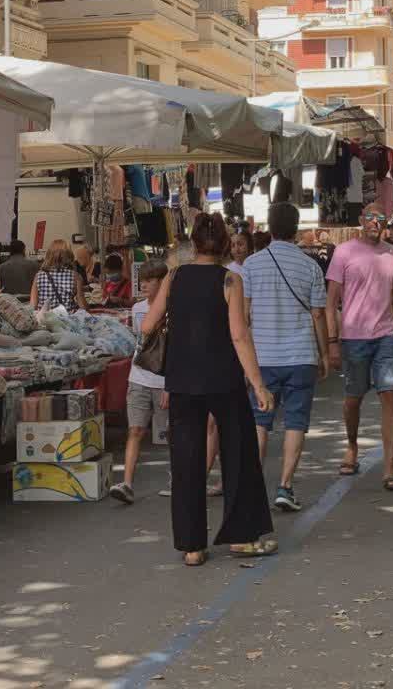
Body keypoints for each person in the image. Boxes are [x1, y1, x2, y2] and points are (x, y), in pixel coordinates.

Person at [138, 213, 278, 565]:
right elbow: (239, 334)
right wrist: (259, 384)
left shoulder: (175, 277)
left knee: (186, 460)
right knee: (239, 454)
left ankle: (192, 546)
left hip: (183, 380)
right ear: (227, 244)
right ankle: (242, 536)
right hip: (224, 378)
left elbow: (147, 324)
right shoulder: (230, 280)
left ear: (193, 242)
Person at [240, 201, 329, 512]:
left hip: (262, 358)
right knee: (295, 423)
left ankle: (251, 488)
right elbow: (319, 314)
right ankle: (285, 487)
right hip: (301, 355)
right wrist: (325, 352)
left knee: (259, 421)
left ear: (270, 226)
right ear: (296, 229)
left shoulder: (251, 265)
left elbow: (244, 314)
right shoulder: (311, 266)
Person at [327, 204, 393, 492]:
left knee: (390, 395)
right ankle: (351, 446)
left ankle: (389, 467)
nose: (375, 223)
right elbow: (331, 300)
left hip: (384, 334)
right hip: (353, 337)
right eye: (370, 218)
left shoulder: (392, 253)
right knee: (353, 398)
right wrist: (332, 341)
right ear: (361, 221)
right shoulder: (344, 251)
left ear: (386, 223)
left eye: (380, 219)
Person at [111, 260, 171, 504]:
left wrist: (170, 382)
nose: (143, 284)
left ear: (162, 282)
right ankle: (127, 482)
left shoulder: (174, 310)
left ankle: (177, 479)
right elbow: (139, 342)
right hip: (139, 377)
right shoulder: (137, 309)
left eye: (149, 280)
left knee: (172, 435)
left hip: (165, 380)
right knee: (135, 429)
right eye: (142, 280)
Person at [32, 240, 81, 310]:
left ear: (49, 255)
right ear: (69, 255)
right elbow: (83, 306)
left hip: (45, 319)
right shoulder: (75, 276)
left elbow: (33, 305)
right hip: (66, 319)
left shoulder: (39, 276)